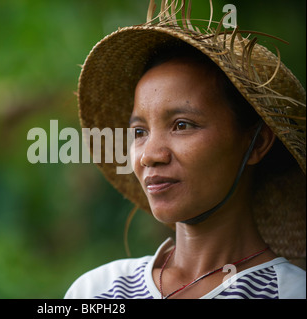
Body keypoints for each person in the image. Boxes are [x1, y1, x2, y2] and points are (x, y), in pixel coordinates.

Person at [65, 0, 306, 299]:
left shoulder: (291, 292)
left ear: (257, 142)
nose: (150, 154)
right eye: (139, 132)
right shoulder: (97, 291)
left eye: (182, 125)